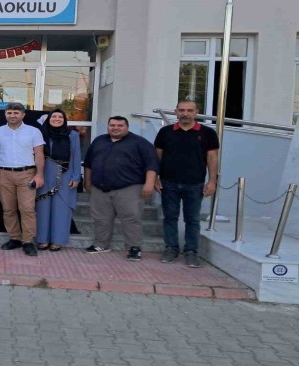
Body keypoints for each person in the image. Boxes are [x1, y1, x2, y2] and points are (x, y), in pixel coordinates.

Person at [83, 116, 158, 261]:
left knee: (131, 218)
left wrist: (149, 184)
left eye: (120, 125)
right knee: (101, 218)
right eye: (112, 125)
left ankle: (134, 248)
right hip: (99, 188)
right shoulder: (99, 141)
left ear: (127, 127)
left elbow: (152, 165)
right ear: (108, 126)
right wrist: (87, 182)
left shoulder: (140, 143)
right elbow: (88, 164)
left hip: (129, 188)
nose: (115, 128)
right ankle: (101, 244)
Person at [154, 100, 219, 268]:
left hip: (195, 183)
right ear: (176, 112)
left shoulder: (208, 133)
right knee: (170, 218)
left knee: (193, 220)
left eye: (189, 110)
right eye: (182, 110)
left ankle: (191, 252)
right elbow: (157, 157)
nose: (185, 113)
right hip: (168, 183)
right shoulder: (165, 132)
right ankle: (171, 249)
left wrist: (212, 181)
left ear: (196, 112)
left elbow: (212, 158)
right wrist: (155, 178)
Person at [0, 102, 45, 256]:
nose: (12, 115)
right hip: (3, 174)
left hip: (27, 174)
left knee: (27, 209)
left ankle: (28, 241)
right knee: (8, 209)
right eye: (9, 113)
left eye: (16, 113)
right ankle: (14, 238)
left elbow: (39, 154)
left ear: (23, 115)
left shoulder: (33, 131)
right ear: (5, 114)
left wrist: (39, 174)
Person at [35, 109, 82, 252]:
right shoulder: (40, 134)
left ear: (65, 119)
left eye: (60, 116)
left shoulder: (72, 135)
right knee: (42, 208)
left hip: (65, 174)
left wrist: (76, 177)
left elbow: (76, 156)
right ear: (48, 119)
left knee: (62, 209)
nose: (57, 119)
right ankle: (42, 240)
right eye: (53, 116)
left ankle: (58, 241)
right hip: (44, 173)